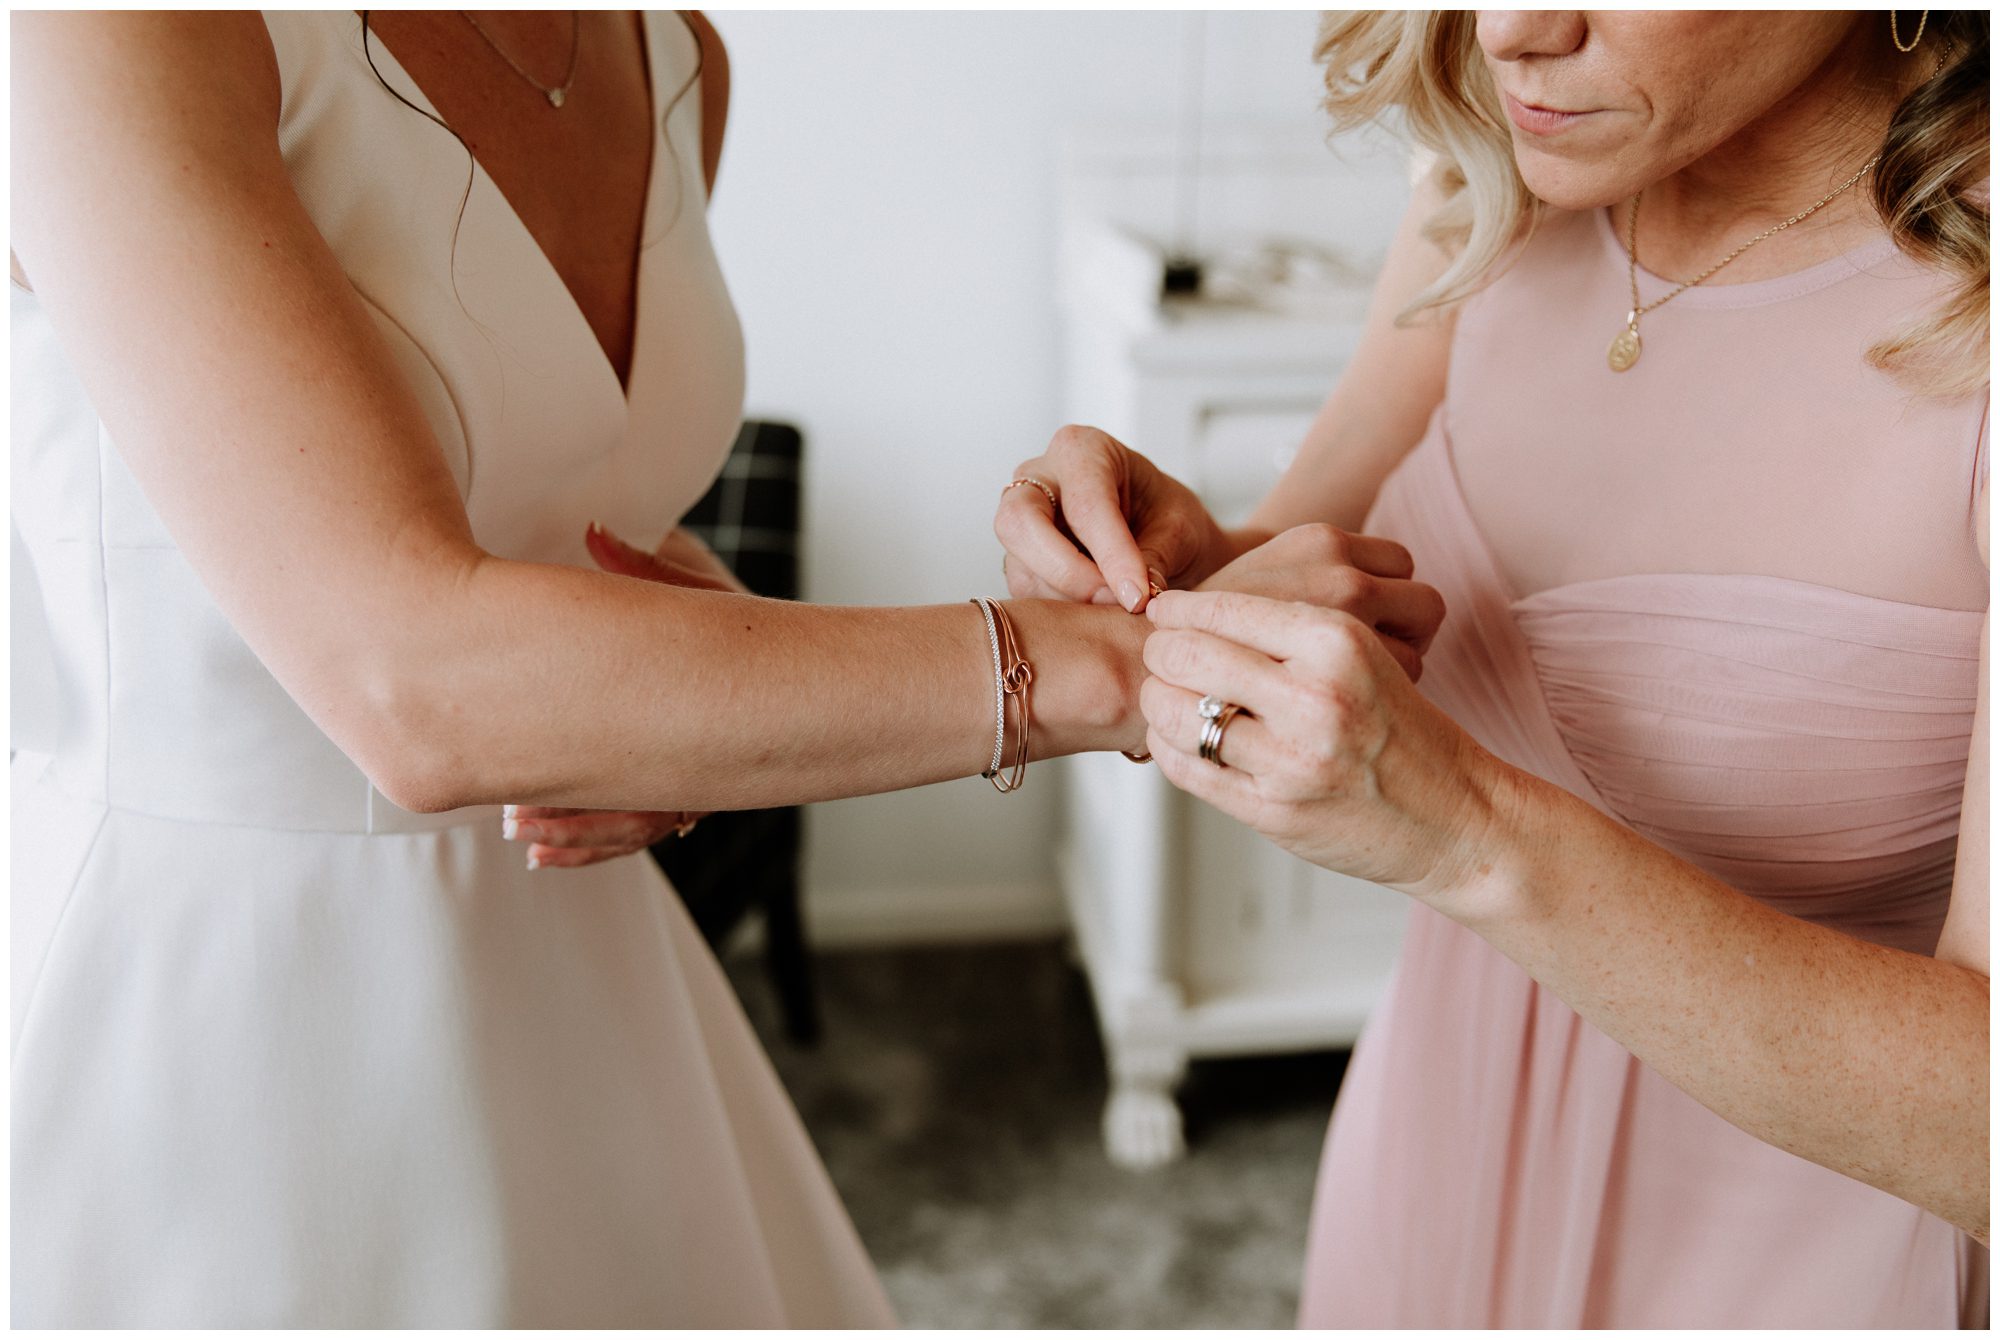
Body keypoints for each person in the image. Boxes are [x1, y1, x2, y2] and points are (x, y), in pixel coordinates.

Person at [7, 10, 1443, 1327]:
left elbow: (572, 504)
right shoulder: (118, 31)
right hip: (224, 998)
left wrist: (685, 672)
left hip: (569, 946)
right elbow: (413, 677)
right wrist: (1118, 666)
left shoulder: (672, 52)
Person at [999, 9, 1988, 1328]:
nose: (1515, 29)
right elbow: (1293, 563)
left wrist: (1462, 831)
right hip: (1435, 1142)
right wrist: (1176, 566)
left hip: (1794, 1252)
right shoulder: (1487, 192)